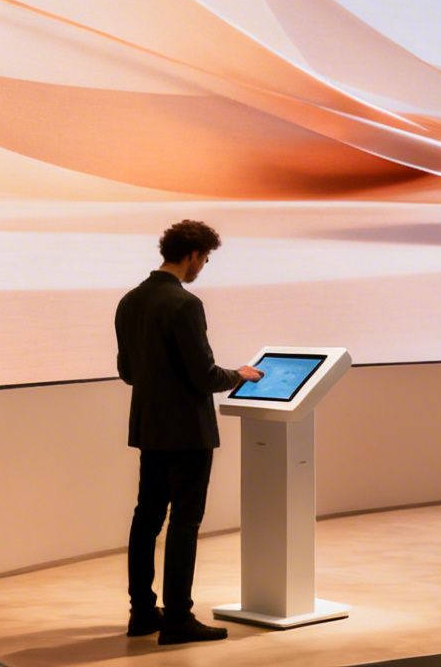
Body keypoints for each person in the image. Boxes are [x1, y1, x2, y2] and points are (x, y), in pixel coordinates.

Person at [116, 220, 264, 645]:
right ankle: (178, 617)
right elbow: (204, 375)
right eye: (205, 258)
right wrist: (239, 375)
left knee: (147, 519)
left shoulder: (130, 301)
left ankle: (143, 612)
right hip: (187, 432)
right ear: (193, 254)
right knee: (184, 522)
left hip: (150, 428)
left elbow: (128, 372)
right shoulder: (185, 304)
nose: (203, 266)